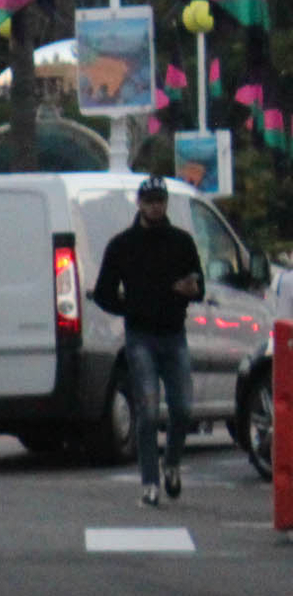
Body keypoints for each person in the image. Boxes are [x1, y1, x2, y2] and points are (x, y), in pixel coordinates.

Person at [90, 176, 205, 506]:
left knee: (183, 408)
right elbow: (103, 293)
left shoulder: (181, 242)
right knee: (148, 411)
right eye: (150, 200)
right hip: (140, 335)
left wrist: (191, 289)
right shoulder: (123, 245)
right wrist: (130, 307)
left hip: (174, 334)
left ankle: (171, 463)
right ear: (139, 203)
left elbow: (199, 285)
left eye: (160, 200)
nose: (156, 206)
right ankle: (150, 482)